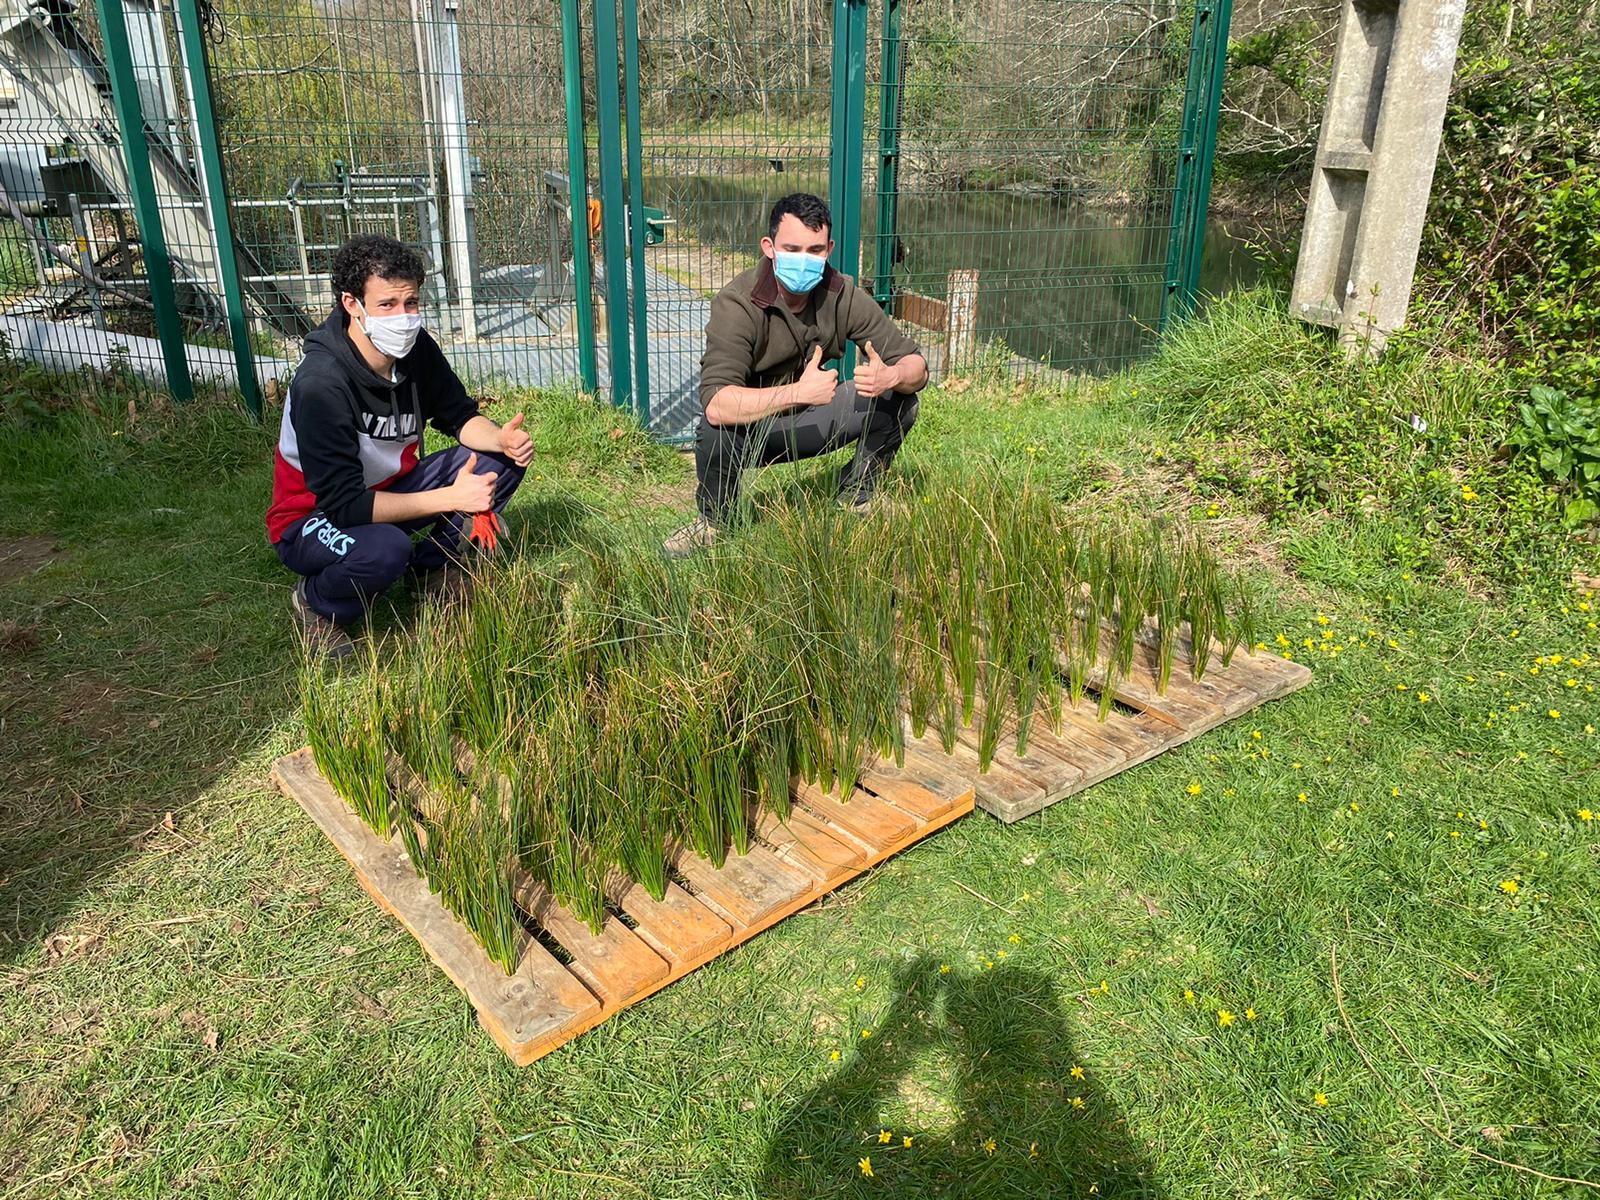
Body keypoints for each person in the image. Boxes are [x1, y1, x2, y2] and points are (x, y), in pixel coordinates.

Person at [265, 234, 533, 656]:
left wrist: (499, 438)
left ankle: (436, 570)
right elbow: (345, 506)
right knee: (386, 550)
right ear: (352, 304)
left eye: (411, 304)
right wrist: (451, 496)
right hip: (312, 518)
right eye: (387, 305)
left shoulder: (415, 347)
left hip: (390, 489)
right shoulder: (321, 385)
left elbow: (459, 417)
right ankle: (316, 604)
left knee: (499, 462)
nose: (404, 318)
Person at [663, 192, 929, 556]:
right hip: (754, 433)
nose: (804, 260)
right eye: (792, 248)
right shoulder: (737, 302)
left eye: (815, 250)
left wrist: (892, 377)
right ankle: (714, 523)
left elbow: (917, 366)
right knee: (715, 429)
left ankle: (857, 495)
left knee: (903, 402)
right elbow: (717, 403)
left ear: (829, 248)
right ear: (769, 247)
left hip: (814, 420)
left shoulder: (841, 293)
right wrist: (797, 393)